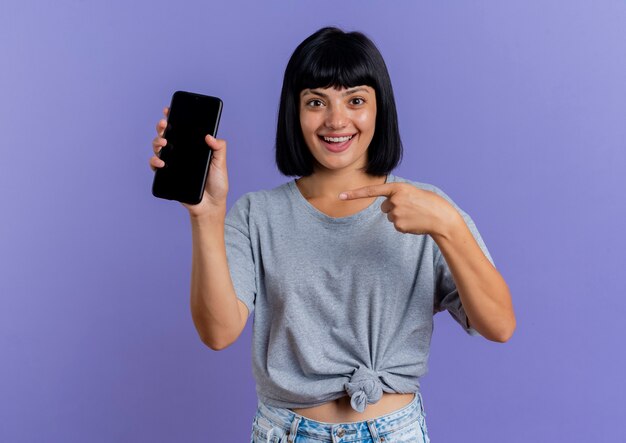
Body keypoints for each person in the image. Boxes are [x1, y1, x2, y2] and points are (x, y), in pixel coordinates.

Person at [150, 26, 515, 443]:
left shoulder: (427, 207)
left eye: (355, 100)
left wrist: (448, 227)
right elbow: (218, 333)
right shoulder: (257, 215)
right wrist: (207, 215)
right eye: (316, 102)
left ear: (380, 109)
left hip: (395, 432)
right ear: (295, 111)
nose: (336, 120)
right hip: (285, 433)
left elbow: (499, 325)